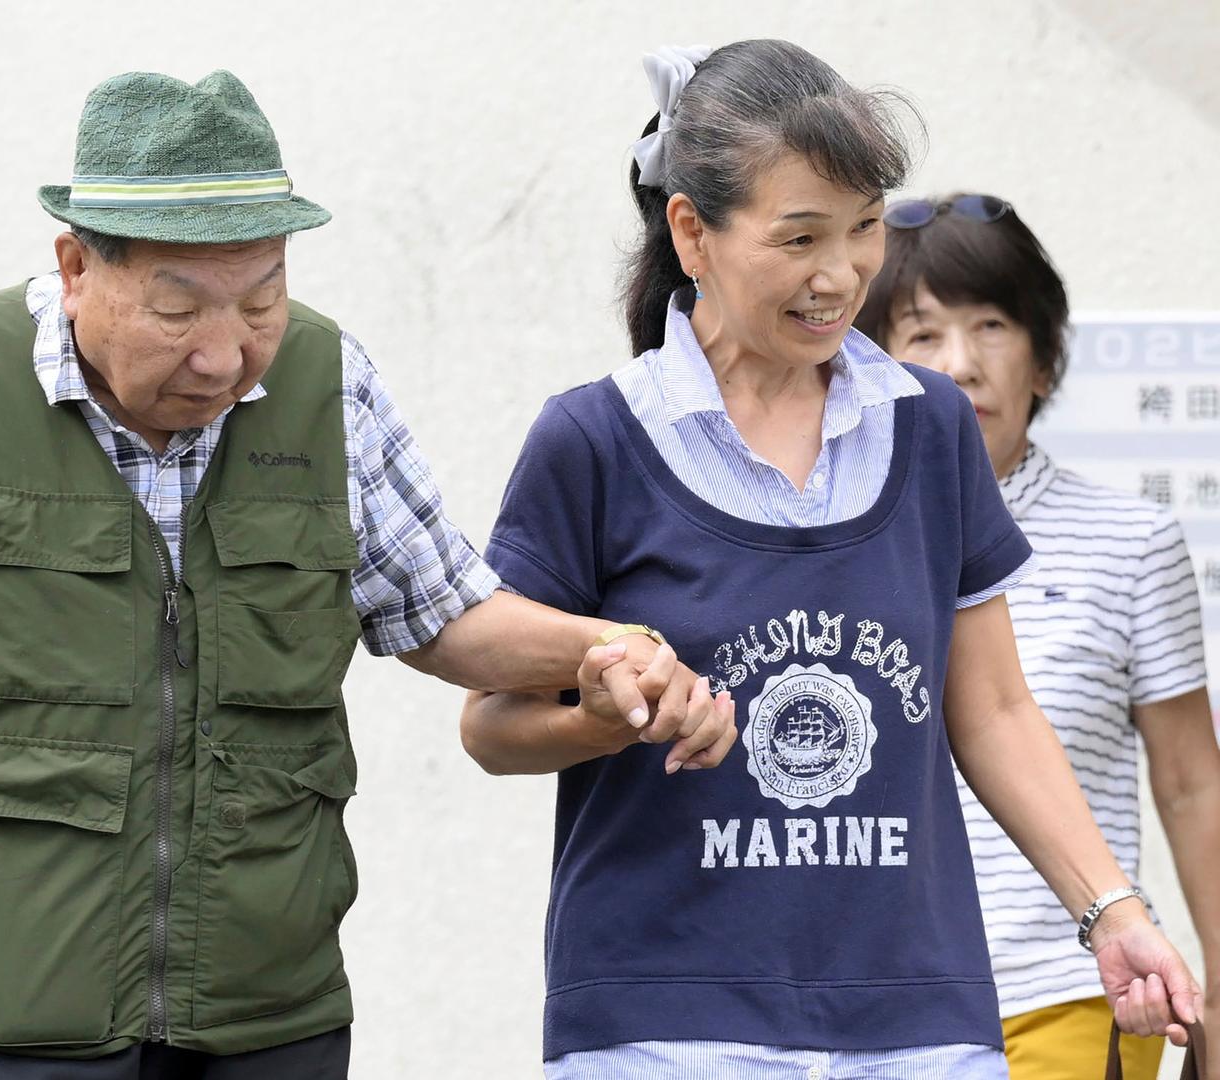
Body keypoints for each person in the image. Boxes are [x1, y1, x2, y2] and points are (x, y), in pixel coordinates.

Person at [0, 69, 734, 1078]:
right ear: (76, 266)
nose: (225, 356)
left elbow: (445, 614)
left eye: (262, 301)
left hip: (267, 1010)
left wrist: (607, 648)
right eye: (179, 310)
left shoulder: (326, 380)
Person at [460, 39, 1203, 1078]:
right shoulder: (595, 442)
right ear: (692, 232)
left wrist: (1111, 909)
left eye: (863, 230)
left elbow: (990, 710)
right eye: (799, 236)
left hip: (916, 1020)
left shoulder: (931, 430)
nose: (842, 275)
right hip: (664, 1023)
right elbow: (490, 726)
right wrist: (601, 711)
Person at [857, 193, 1220, 1078]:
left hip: (1079, 990)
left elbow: (1188, 783)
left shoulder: (1132, 541)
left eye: (992, 326)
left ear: (1045, 359)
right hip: (879, 1008)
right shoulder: (840, 540)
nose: (963, 365)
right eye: (923, 333)